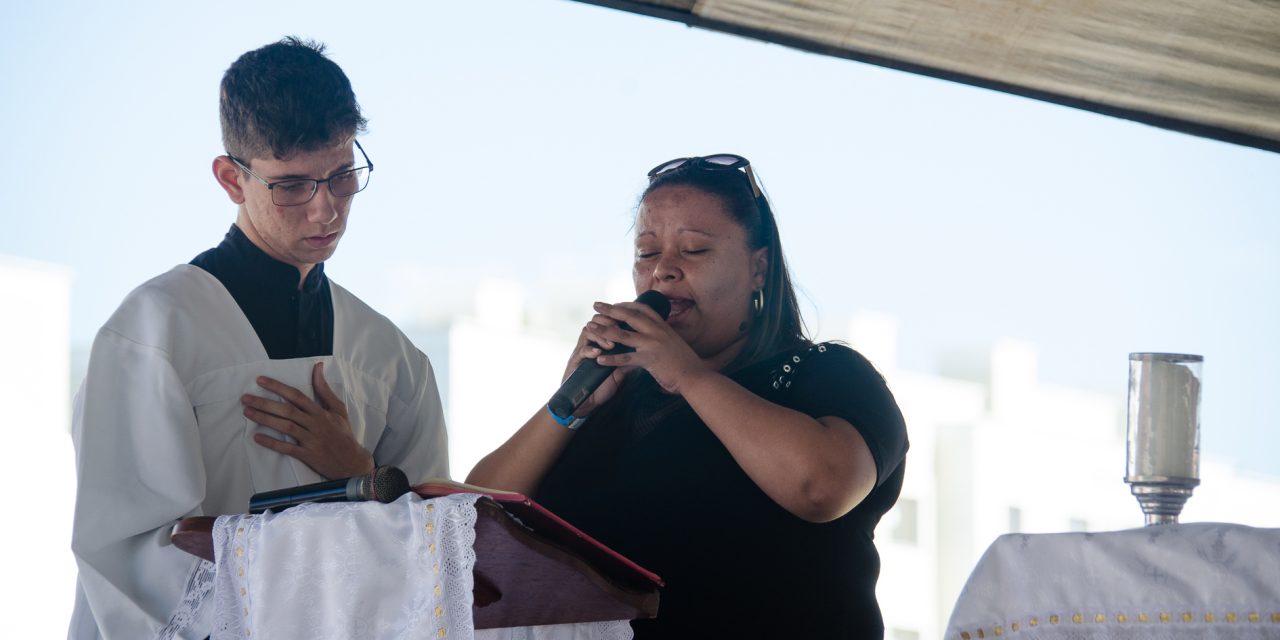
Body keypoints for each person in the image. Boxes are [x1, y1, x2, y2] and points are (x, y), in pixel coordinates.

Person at [68, 38, 449, 639]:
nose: (326, 210)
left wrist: (360, 472)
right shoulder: (154, 331)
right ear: (230, 178)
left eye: (344, 175)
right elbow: (127, 556)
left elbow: (437, 556)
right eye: (293, 185)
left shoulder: (391, 358)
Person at [468, 154, 909, 639]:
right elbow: (472, 518)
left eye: (694, 250)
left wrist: (688, 375)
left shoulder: (825, 373)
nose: (663, 272)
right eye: (646, 253)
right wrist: (567, 407)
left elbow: (821, 488)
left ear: (759, 268)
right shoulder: (611, 398)